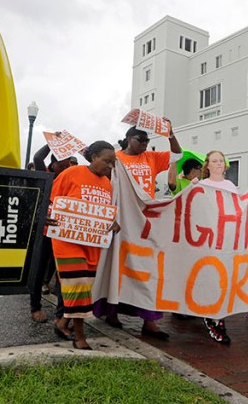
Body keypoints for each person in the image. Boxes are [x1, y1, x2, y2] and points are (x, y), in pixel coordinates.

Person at [99, 124, 182, 340]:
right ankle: (112, 312)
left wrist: (170, 134)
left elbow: (177, 154)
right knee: (119, 265)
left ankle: (150, 320)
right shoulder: (115, 158)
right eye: (140, 140)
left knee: (149, 268)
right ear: (128, 139)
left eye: (147, 141)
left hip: (145, 218)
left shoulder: (151, 157)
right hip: (122, 217)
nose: (144, 144)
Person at [50, 141, 118, 350]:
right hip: (67, 240)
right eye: (107, 161)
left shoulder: (107, 183)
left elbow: (102, 212)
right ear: (93, 157)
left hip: (91, 243)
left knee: (83, 288)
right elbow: (52, 200)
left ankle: (62, 323)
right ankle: (80, 337)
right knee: (78, 285)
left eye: (113, 163)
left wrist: (111, 223)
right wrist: (48, 214)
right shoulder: (71, 173)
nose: (110, 166)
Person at [191, 151, 238, 344]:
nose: (219, 164)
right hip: (208, 241)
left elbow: (239, 206)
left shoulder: (230, 186)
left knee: (223, 280)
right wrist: (191, 190)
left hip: (227, 240)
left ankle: (216, 316)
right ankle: (214, 320)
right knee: (211, 278)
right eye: (214, 161)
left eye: (221, 161)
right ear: (207, 166)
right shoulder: (201, 185)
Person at [29, 141, 74, 329]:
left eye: (67, 166)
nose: (64, 169)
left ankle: (61, 314)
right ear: (53, 165)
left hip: (63, 233)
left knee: (64, 272)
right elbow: (38, 157)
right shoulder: (46, 176)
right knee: (38, 270)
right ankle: (35, 307)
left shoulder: (72, 177)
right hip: (45, 232)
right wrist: (52, 143)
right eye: (61, 166)